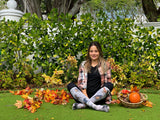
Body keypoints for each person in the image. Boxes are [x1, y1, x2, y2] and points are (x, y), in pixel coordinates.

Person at [67, 41, 113, 112]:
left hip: (99, 97)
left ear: (99, 52)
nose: (93, 53)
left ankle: (84, 105)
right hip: (83, 96)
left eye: (96, 51)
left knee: (110, 85)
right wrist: (85, 96)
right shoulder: (83, 64)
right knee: (70, 85)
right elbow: (81, 83)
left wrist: (105, 95)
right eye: (91, 51)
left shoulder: (105, 64)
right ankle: (95, 106)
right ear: (89, 53)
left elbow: (107, 83)